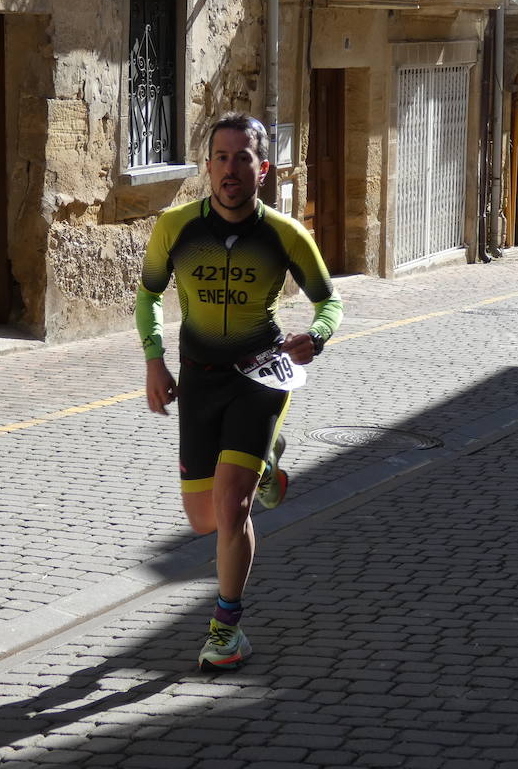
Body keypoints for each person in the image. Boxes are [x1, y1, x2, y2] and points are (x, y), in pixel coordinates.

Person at [136, 112, 344, 672]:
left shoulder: (284, 234)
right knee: (203, 520)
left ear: (263, 168)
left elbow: (331, 301)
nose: (231, 169)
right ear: (207, 167)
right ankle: (270, 463)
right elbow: (149, 295)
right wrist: (155, 361)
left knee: (233, 507)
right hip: (199, 379)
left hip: (261, 375)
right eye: (221, 158)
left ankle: (226, 630)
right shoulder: (176, 227)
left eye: (243, 158)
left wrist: (317, 337)